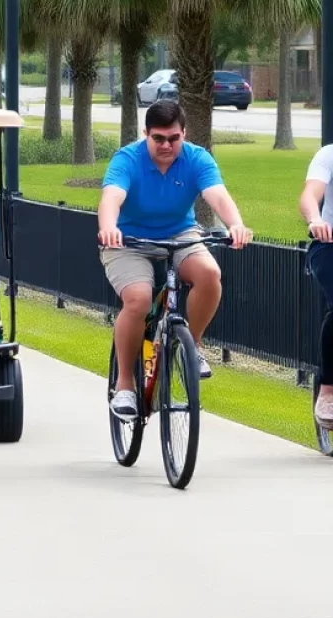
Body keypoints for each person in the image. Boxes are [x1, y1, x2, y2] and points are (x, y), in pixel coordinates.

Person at [98, 99, 253, 419]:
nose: (167, 145)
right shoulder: (127, 159)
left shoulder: (197, 158)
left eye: (174, 138)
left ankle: (191, 347)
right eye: (158, 139)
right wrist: (109, 228)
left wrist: (235, 224)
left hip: (180, 235)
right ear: (146, 134)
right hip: (129, 240)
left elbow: (217, 195)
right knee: (139, 300)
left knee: (210, 273)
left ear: (184, 133)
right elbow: (112, 196)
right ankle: (125, 384)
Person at [299, 144, 333, 425]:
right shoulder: (329, 155)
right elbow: (310, 194)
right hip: (330, 243)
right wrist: (315, 219)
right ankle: (328, 389)